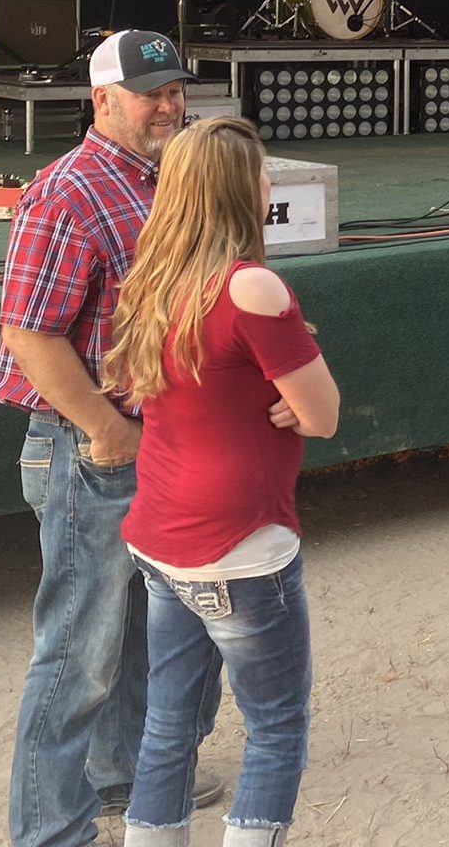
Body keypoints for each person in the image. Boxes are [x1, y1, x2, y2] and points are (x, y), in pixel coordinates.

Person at [0, 30, 225, 847]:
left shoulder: (165, 181)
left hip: (155, 441)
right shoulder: (67, 193)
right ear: (101, 100)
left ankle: (123, 773)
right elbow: (26, 334)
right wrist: (106, 428)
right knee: (79, 652)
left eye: (173, 90)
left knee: (143, 632)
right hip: (86, 450)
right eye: (148, 92)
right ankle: (48, 829)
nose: (168, 105)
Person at [103, 116, 339, 847]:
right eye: (261, 170)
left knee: (169, 727)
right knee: (276, 729)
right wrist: (291, 403)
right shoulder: (251, 287)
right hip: (238, 543)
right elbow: (324, 414)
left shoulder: (153, 280)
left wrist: (279, 399)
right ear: (240, 189)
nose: (269, 180)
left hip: (162, 535)